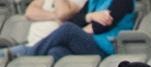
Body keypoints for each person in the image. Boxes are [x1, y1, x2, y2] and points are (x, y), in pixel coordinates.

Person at [5, 0, 134, 60]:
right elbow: (74, 20)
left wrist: (87, 24)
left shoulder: (123, 1)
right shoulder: (93, 1)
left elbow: (100, 27)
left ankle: (28, 54)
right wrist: (91, 16)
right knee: (55, 51)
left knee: (67, 30)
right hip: (88, 41)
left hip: (106, 48)